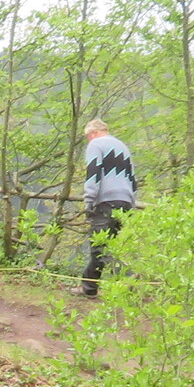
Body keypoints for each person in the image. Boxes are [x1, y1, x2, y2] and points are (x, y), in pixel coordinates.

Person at [80, 117, 138, 296]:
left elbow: (93, 173)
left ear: (93, 133)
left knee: (100, 247)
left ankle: (127, 276)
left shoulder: (96, 145)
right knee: (105, 247)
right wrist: (132, 203)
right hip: (125, 202)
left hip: (107, 201)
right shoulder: (123, 147)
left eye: (87, 137)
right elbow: (132, 178)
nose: (88, 140)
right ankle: (89, 288)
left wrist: (89, 200)